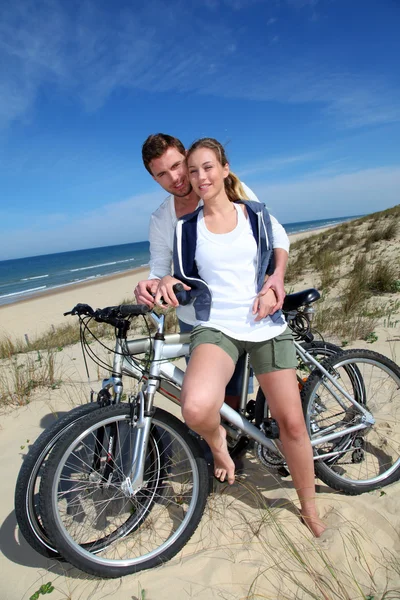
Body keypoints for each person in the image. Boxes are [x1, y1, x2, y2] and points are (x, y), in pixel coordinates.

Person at [155, 137, 326, 538]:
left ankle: (309, 505)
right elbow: (174, 271)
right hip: (217, 325)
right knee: (196, 408)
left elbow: (279, 247)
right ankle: (219, 445)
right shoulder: (184, 229)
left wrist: (275, 280)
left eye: (207, 167)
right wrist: (162, 279)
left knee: (293, 425)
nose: (199, 177)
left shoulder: (255, 214)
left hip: (265, 323)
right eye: (192, 171)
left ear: (225, 168)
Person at [134, 133, 289, 405]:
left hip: (246, 308)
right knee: (208, 400)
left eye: (177, 165)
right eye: (162, 174)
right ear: (154, 179)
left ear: (187, 157)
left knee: (235, 397)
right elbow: (159, 268)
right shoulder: (161, 219)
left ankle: (239, 440)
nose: (175, 178)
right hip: (196, 319)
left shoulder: (228, 188)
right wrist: (149, 285)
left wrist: (276, 278)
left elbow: (275, 234)